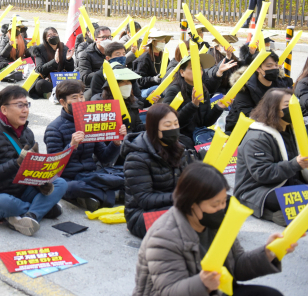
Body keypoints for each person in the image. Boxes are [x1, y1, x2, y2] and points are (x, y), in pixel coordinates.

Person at [134, 161, 295, 296]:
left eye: (224, 201)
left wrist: (268, 252)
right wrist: (202, 283)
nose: (222, 208)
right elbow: (168, 291)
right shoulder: (164, 236)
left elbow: (237, 265)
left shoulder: (216, 223)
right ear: (191, 204)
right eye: (215, 204)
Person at [0, 86, 67, 236]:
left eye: (27, 105)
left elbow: (32, 171)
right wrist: (17, 163)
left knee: (60, 183)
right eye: (20, 105)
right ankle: (39, 208)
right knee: (6, 204)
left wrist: (42, 182)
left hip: (19, 190)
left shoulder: (27, 133)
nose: (25, 110)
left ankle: (31, 216)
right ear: (4, 109)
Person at [45, 80, 125, 211]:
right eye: (74, 98)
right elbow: (54, 167)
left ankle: (96, 197)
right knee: (71, 187)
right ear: (63, 102)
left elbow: (104, 158)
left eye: (81, 96)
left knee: (126, 171)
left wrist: (115, 143)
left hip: (91, 175)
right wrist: (71, 145)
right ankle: (116, 194)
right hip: (69, 178)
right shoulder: (54, 129)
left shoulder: (90, 122)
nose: (80, 100)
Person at [234, 88, 308, 226]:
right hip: (258, 189)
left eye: (295, 103)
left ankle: (289, 213)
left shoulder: (293, 129)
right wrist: (295, 164)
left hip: (289, 182)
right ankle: (272, 214)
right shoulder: (257, 138)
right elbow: (262, 173)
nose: (294, 108)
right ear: (275, 110)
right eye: (288, 105)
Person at [122, 103, 196, 238]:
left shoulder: (180, 149)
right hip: (142, 215)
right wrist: (180, 197)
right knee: (191, 217)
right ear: (154, 128)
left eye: (175, 124)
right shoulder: (136, 158)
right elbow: (145, 199)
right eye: (167, 126)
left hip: (174, 206)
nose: (173, 128)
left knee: (218, 204)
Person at [161, 56, 234, 145]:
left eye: (200, 69)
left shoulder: (202, 90)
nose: (197, 72)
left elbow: (205, 122)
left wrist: (218, 107)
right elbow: (169, 122)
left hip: (198, 136)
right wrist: (192, 105)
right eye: (192, 68)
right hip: (180, 138)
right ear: (182, 72)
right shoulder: (174, 90)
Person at [226, 51, 292, 133]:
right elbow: (248, 114)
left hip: (275, 125)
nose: (274, 69)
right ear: (258, 68)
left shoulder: (281, 84)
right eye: (269, 66)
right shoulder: (245, 87)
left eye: (276, 65)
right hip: (244, 129)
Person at [92, 66, 146, 133]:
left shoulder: (133, 101)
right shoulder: (99, 103)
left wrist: (149, 126)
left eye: (129, 81)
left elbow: (137, 126)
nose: (127, 84)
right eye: (123, 81)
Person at [29, 27, 75, 99]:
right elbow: (40, 69)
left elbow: (70, 70)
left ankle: (53, 93)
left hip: (60, 79)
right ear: (46, 39)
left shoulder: (63, 48)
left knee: (77, 81)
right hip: (46, 80)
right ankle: (61, 93)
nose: (53, 36)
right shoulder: (39, 49)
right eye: (49, 35)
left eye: (54, 34)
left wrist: (69, 60)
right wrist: (54, 61)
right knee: (40, 84)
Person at [132, 30, 172, 96]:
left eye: (164, 41)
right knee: (159, 89)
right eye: (160, 41)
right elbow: (138, 81)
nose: (163, 43)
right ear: (153, 42)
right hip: (144, 90)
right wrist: (153, 79)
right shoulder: (144, 59)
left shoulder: (164, 57)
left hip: (161, 87)